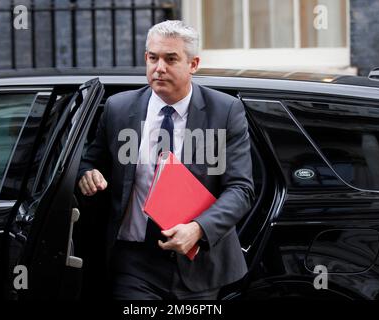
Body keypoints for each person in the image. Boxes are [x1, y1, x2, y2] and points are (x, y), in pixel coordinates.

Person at [77, 20, 254, 300]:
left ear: (193, 64)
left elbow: (241, 189)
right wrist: (88, 174)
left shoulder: (225, 111)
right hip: (133, 262)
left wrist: (198, 229)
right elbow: (89, 162)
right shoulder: (118, 109)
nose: (159, 68)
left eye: (171, 59)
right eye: (153, 57)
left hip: (199, 263)